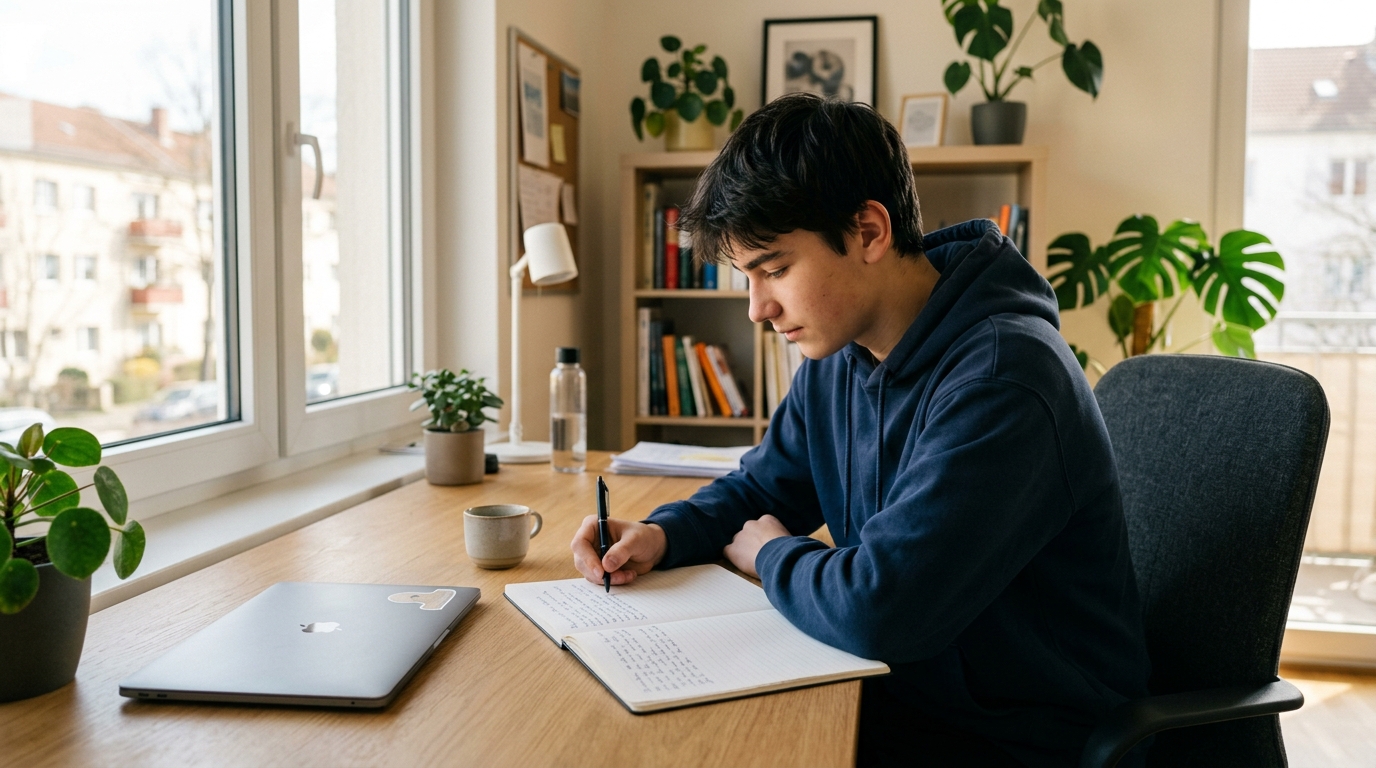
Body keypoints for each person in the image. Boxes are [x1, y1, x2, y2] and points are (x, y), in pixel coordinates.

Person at [571, 93, 1149, 767]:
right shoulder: (839, 351)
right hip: (899, 690)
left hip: (1016, 736)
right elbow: (766, 486)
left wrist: (771, 557)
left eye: (776, 269)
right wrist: (664, 534)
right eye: (747, 278)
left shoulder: (1004, 379)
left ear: (869, 232)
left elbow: (883, 608)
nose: (758, 308)